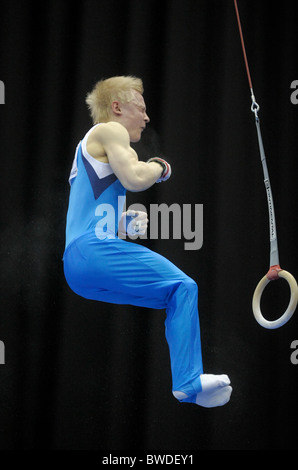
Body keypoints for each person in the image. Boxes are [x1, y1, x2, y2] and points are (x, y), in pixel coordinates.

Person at [63, 76, 232, 407]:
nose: (146, 117)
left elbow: (90, 207)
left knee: (174, 295)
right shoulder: (110, 131)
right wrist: (160, 166)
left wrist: (122, 223)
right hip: (92, 252)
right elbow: (136, 178)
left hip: (78, 269)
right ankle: (187, 381)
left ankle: (189, 381)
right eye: (140, 108)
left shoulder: (93, 148)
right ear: (117, 107)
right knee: (183, 287)